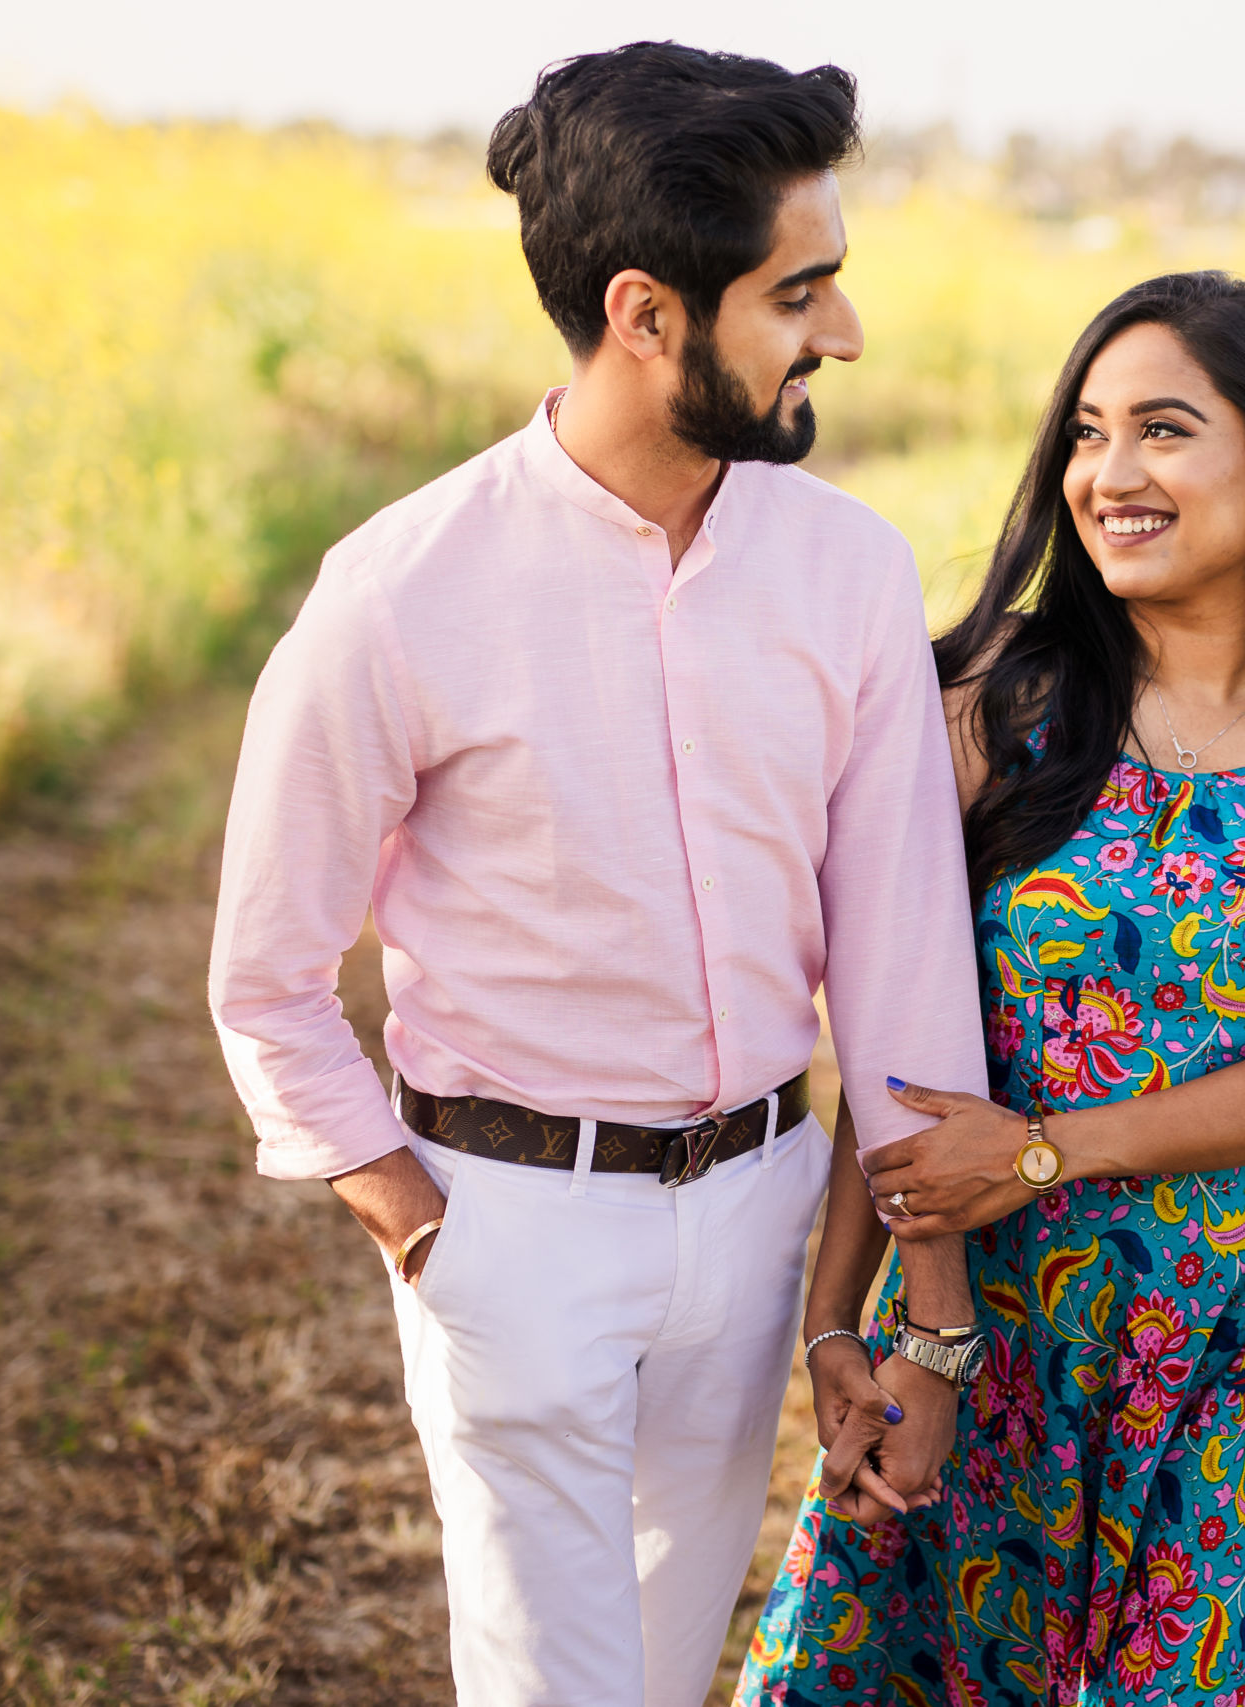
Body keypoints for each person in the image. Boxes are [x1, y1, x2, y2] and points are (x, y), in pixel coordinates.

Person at [206, 42, 990, 1707]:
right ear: (647, 313)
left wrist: (922, 1321)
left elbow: (908, 961)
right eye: (802, 293)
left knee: (659, 1667)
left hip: (763, 1212)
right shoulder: (400, 592)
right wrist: (420, 1223)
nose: (841, 332)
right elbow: (267, 974)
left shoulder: (849, 573)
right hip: (513, 1228)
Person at [738, 272, 1245, 1707]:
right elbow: (899, 1037)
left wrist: (1042, 1150)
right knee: (937, 1672)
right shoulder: (995, 704)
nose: (1108, 473)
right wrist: (846, 1322)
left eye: (1162, 430)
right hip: (1005, 1310)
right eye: (1086, 432)